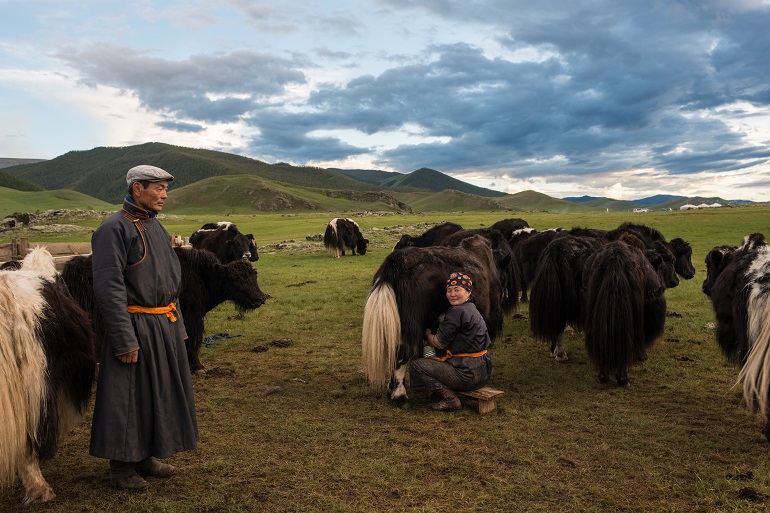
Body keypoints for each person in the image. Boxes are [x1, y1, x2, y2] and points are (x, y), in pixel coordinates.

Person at [89, 165, 198, 491]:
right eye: (158, 188)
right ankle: (121, 467)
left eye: (166, 188)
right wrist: (124, 339)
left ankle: (146, 455)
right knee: (128, 396)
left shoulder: (157, 227)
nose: (165, 194)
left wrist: (177, 325)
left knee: (158, 392)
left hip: (163, 324)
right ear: (138, 188)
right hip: (135, 325)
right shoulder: (113, 229)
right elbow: (109, 289)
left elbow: (169, 283)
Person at [410, 271, 493, 411]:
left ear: (468, 291)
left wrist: (427, 334)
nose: (452, 294)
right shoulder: (472, 308)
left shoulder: (456, 312)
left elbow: (438, 342)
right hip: (484, 372)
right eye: (449, 290)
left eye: (457, 290)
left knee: (417, 366)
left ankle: (451, 399)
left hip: (467, 374)